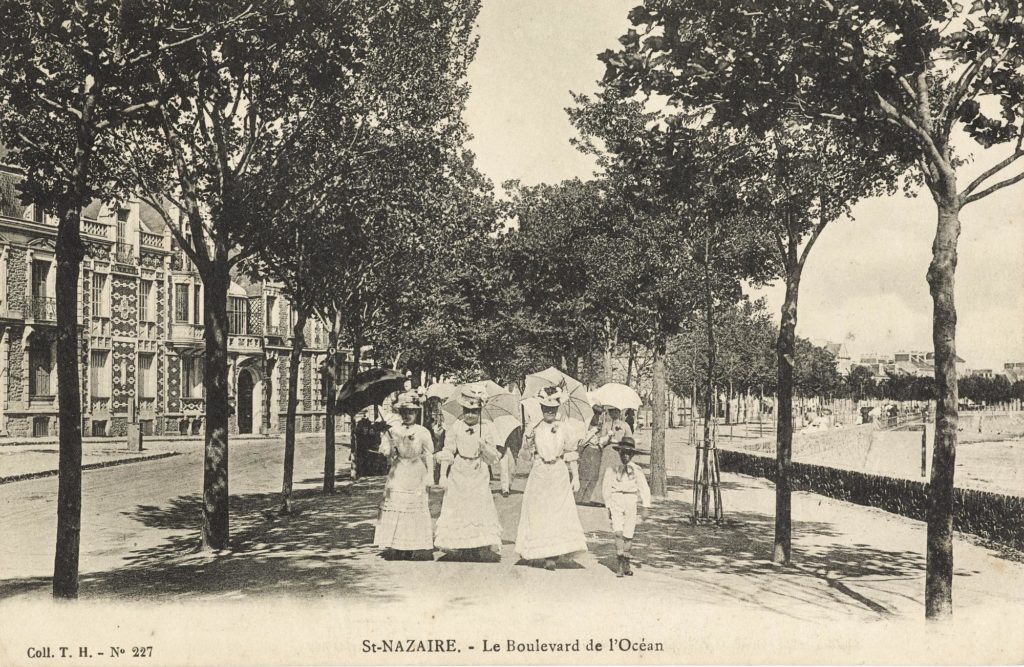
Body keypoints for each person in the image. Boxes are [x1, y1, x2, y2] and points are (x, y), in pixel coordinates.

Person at [515, 387, 588, 570]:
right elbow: (524, 455)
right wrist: (528, 436)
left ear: (558, 409)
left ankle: (552, 555)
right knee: (538, 512)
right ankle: (537, 551)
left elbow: (570, 452)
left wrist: (576, 477)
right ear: (540, 408)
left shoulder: (564, 427)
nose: (549, 412)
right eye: (546, 408)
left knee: (557, 512)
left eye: (553, 408)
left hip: (558, 472)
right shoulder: (536, 427)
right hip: (540, 472)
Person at [433, 385, 502, 561]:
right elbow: (448, 450)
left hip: (478, 471)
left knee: (478, 507)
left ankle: (479, 545)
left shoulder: (486, 427)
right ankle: (461, 546)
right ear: (462, 410)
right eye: (467, 411)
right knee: (459, 508)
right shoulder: (456, 426)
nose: (470, 415)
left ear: (480, 411)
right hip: (459, 471)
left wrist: (484, 447)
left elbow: (493, 458)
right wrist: (442, 475)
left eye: (474, 411)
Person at [373, 392, 434, 560]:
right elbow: (388, 454)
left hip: (416, 470)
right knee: (398, 504)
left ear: (417, 413)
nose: (408, 415)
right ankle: (397, 546)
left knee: (413, 506)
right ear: (400, 413)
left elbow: (429, 454)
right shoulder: (393, 431)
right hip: (399, 470)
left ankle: (414, 545)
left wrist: (430, 475)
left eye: (411, 412)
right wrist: (390, 446)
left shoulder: (423, 432)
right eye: (404, 411)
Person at [602, 436, 651, 577]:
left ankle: (626, 562)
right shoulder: (612, 469)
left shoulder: (637, 470)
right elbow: (606, 488)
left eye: (628, 453)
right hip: (616, 499)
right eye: (623, 452)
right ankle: (618, 563)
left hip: (630, 500)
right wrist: (608, 506)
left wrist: (646, 506)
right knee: (618, 532)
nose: (625, 456)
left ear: (632, 454)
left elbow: (644, 488)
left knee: (628, 534)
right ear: (619, 453)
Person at [591, 406, 633, 507]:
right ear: (609, 413)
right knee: (605, 473)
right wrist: (608, 436)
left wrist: (622, 443)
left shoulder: (625, 425)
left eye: (616, 411)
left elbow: (630, 439)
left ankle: (617, 498)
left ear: (619, 412)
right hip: (608, 450)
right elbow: (601, 441)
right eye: (611, 412)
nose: (614, 414)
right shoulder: (606, 424)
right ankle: (600, 499)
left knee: (618, 473)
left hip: (620, 451)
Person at [575, 404, 607, 504]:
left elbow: (602, 441)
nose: (596, 416)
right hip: (587, 451)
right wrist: (591, 433)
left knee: (594, 476)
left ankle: (587, 499)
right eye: (595, 413)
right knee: (584, 475)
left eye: (599, 414)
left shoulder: (600, 427)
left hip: (597, 452)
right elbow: (581, 442)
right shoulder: (585, 426)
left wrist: (605, 438)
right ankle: (578, 498)